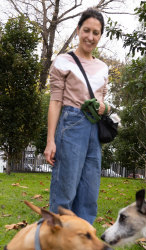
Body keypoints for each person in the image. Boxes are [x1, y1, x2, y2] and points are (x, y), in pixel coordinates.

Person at [44, 8, 109, 224]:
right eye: (87, 31)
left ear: (100, 35)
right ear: (78, 30)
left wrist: (104, 107)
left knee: (90, 192)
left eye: (96, 33)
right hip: (71, 126)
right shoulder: (63, 61)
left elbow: (104, 102)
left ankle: (81, 246)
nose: (91, 37)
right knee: (66, 189)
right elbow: (55, 101)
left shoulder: (103, 68)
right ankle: (56, 242)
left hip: (94, 131)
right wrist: (50, 140)